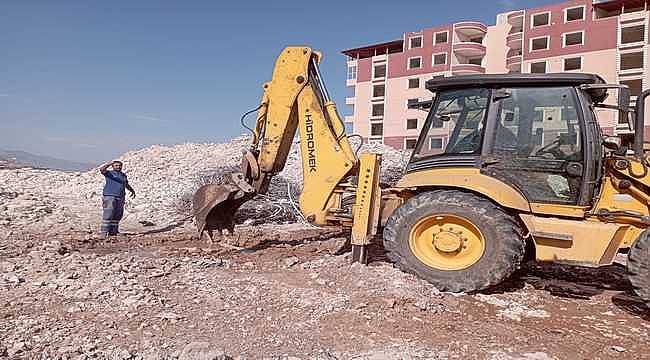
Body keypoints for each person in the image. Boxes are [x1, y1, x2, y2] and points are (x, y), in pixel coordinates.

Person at [99, 160, 135, 238]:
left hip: (120, 197)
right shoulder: (109, 173)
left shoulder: (123, 175)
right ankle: (104, 233)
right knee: (108, 213)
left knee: (117, 215)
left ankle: (113, 232)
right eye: (116, 165)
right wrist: (109, 163)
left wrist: (132, 191)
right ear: (113, 166)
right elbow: (101, 169)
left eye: (119, 165)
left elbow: (126, 184)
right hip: (110, 196)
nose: (118, 167)